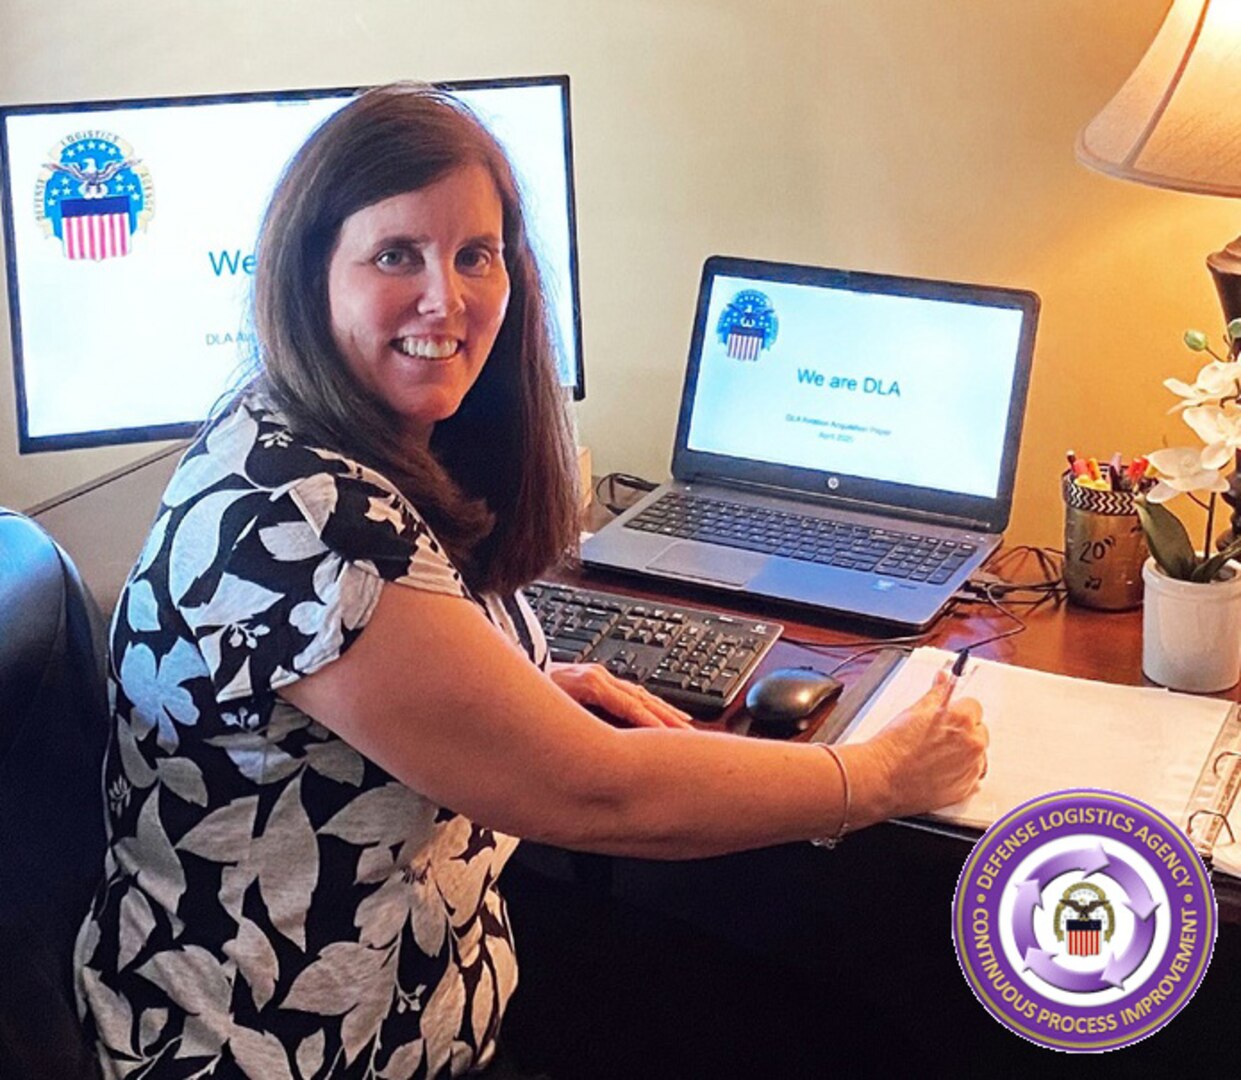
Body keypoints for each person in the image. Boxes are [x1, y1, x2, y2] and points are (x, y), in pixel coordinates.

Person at [75, 84, 987, 1079]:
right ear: (310, 276)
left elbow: (332, 703)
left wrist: (507, 698)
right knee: (858, 1036)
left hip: (416, 981)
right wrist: (877, 778)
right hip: (288, 1047)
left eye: (476, 255)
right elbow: (600, 797)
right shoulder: (305, 528)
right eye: (396, 255)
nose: (447, 299)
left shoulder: (298, 421)